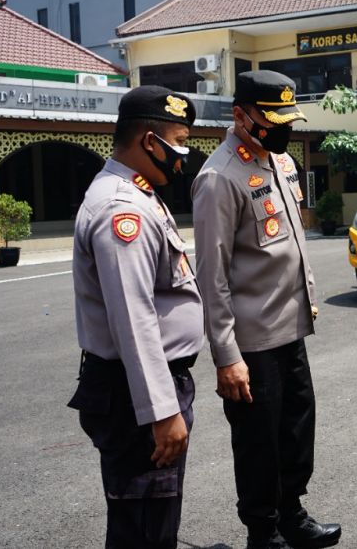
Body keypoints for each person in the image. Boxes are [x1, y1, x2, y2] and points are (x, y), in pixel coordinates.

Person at [191, 70, 341, 549]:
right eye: (271, 119)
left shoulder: (281, 162)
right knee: (258, 443)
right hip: (250, 342)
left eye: (287, 118)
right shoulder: (219, 178)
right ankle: (264, 531)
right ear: (240, 115)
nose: (283, 129)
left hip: (290, 328)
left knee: (297, 428)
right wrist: (225, 355)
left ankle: (292, 513)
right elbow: (211, 277)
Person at [68, 85, 204, 548]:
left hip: (141, 389)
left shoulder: (137, 192)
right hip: (137, 396)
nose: (184, 157)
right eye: (179, 143)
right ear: (151, 142)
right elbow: (134, 317)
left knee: (150, 522)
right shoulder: (122, 209)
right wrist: (161, 411)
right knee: (144, 529)